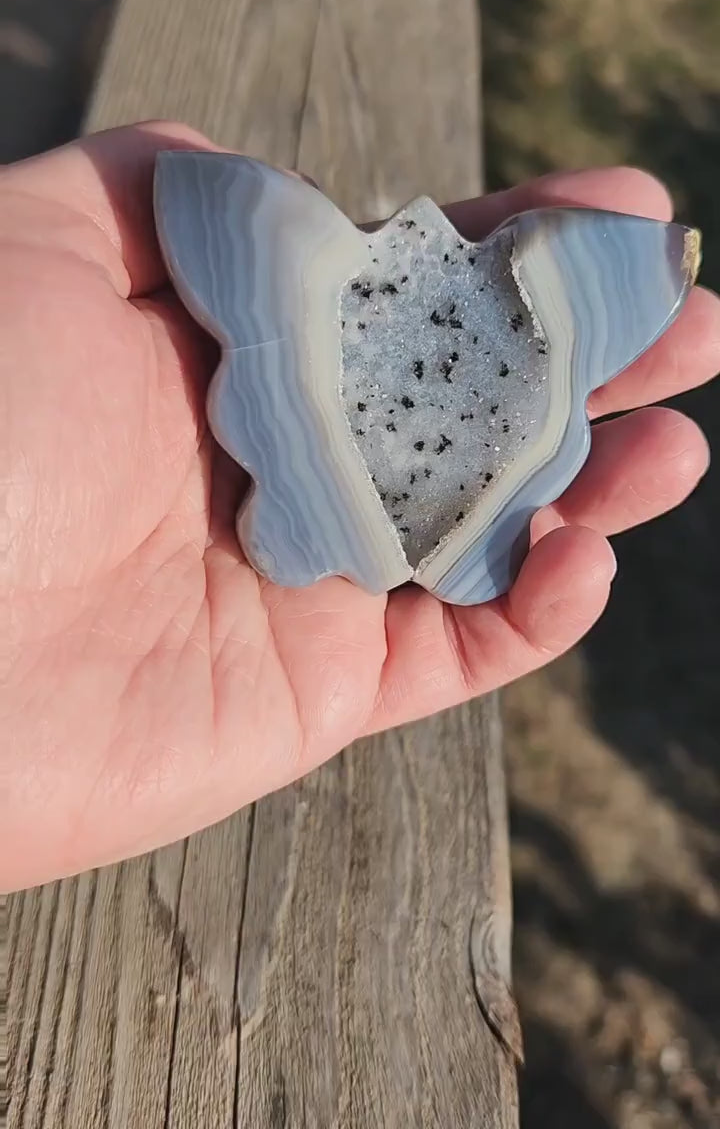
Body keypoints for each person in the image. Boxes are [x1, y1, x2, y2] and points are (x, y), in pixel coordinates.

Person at [2, 121, 719, 892]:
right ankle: (318, 526)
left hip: (443, 533)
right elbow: (202, 196)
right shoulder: (277, 253)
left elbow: (208, 194)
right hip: (299, 509)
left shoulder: (292, 241)